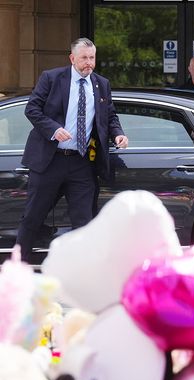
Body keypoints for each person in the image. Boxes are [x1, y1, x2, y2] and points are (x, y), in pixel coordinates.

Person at [16, 37, 128, 263]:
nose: (89, 63)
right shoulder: (52, 78)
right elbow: (32, 109)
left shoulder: (101, 84)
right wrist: (54, 129)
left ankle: (81, 272)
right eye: (84, 58)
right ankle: (16, 270)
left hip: (81, 162)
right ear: (72, 58)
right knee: (32, 218)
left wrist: (118, 133)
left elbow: (109, 116)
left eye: (92, 58)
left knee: (84, 221)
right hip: (50, 161)